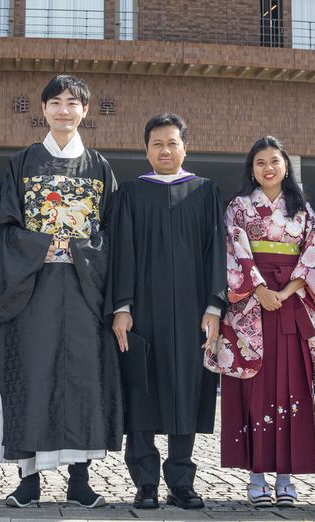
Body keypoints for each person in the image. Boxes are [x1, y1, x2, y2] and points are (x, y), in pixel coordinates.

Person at [0, 75, 122, 508]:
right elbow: (2, 228)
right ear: (42, 109)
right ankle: (28, 480)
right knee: (32, 373)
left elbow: (114, 235)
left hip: (84, 292)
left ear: (85, 110)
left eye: (73, 103)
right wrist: (42, 245)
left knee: (84, 378)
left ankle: (80, 480)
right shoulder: (22, 163)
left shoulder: (99, 167)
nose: (64, 111)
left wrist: (79, 249)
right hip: (34, 290)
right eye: (56, 102)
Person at [109, 113, 227, 510]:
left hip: (193, 310)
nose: (165, 150)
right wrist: (121, 307)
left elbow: (218, 252)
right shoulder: (129, 194)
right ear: (145, 149)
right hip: (143, 311)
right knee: (141, 393)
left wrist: (214, 305)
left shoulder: (205, 192)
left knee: (183, 391)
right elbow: (120, 252)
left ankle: (181, 481)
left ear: (184, 147)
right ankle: (145, 483)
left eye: (172, 143)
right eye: (157, 143)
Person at [214, 136, 315, 508]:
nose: (268, 168)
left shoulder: (304, 210)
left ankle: (285, 478)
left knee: (291, 388)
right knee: (255, 388)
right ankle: (257, 476)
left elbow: (314, 255)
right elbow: (233, 250)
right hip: (251, 305)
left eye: (275, 161)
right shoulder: (239, 208)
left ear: (285, 167)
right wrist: (261, 289)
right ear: (252, 169)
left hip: (291, 301)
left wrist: (289, 289)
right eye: (260, 162)